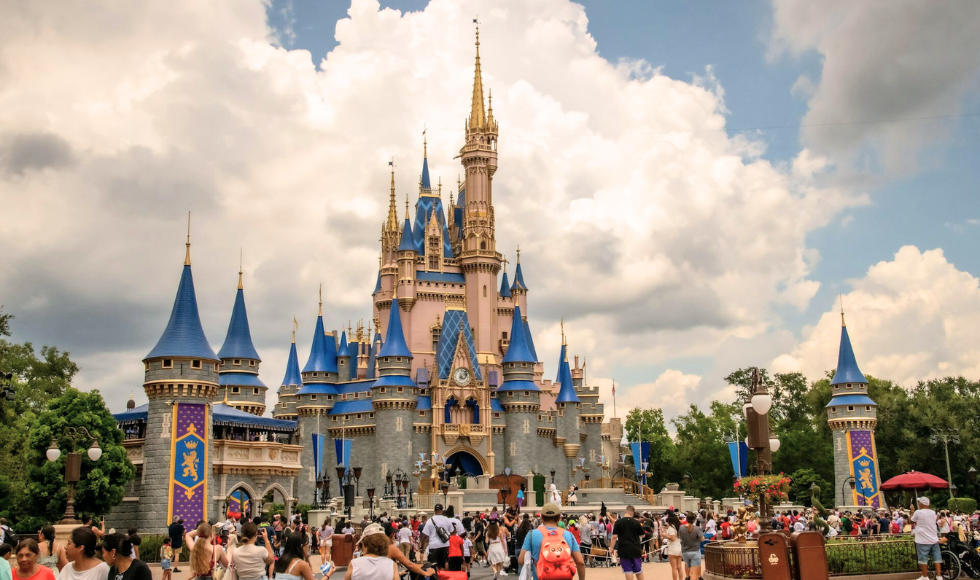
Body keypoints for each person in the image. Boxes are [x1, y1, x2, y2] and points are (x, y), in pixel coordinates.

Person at [518, 503, 584, 580]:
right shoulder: (568, 535)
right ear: (559, 517)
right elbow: (580, 562)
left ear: (542, 517)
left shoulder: (532, 534)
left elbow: (521, 560)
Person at [610, 506, 645, 580]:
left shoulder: (618, 522)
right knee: (638, 570)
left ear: (625, 512)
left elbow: (614, 537)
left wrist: (611, 548)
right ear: (633, 513)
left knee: (628, 570)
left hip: (624, 549)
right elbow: (643, 535)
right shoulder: (636, 522)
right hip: (635, 548)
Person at [910, 497, 941, 580]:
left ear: (921, 504)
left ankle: (925, 576)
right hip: (934, 539)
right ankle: (939, 576)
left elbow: (911, 521)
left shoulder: (918, 512)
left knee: (923, 559)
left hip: (922, 540)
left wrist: (912, 511)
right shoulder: (933, 512)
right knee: (937, 558)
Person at [420, 504, 454, 570]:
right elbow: (452, 531)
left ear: (434, 511)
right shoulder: (446, 519)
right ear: (442, 510)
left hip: (433, 546)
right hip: (444, 545)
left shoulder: (430, 520)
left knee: (432, 566)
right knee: (443, 565)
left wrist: (422, 547)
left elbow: (425, 536)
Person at [678, 512, 704, 580]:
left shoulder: (681, 527)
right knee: (693, 572)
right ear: (694, 520)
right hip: (695, 551)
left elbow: (680, 537)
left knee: (688, 567)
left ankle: (687, 576)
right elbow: (702, 539)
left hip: (685, 551)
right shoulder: (697, 529)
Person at [663, 513, 682, 580]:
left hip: (672, 548)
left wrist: (665, 535)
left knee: (674, 567)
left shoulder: (671, 528)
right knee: (679, 567)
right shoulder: (679, 527)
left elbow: (672, 538)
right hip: (679, 547)